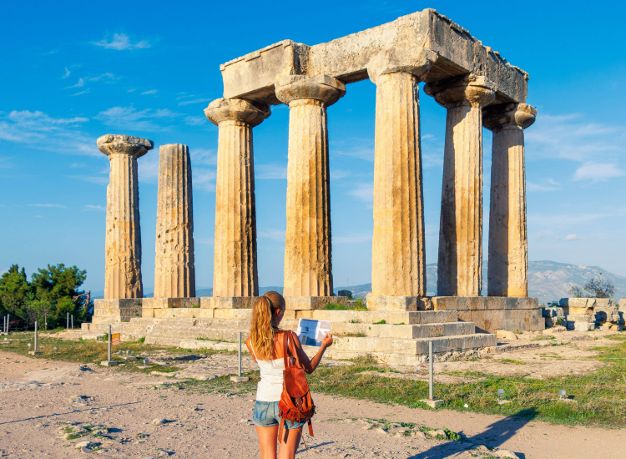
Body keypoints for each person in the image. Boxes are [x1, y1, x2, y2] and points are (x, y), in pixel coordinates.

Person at [246, 291, 333, 459]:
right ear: (278, 312)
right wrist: (323, 346)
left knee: (267, 456)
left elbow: (263, 364)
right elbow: (309, 368)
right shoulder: (289, 337)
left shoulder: (251, 341)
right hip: (288, 402)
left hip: (263, 402)